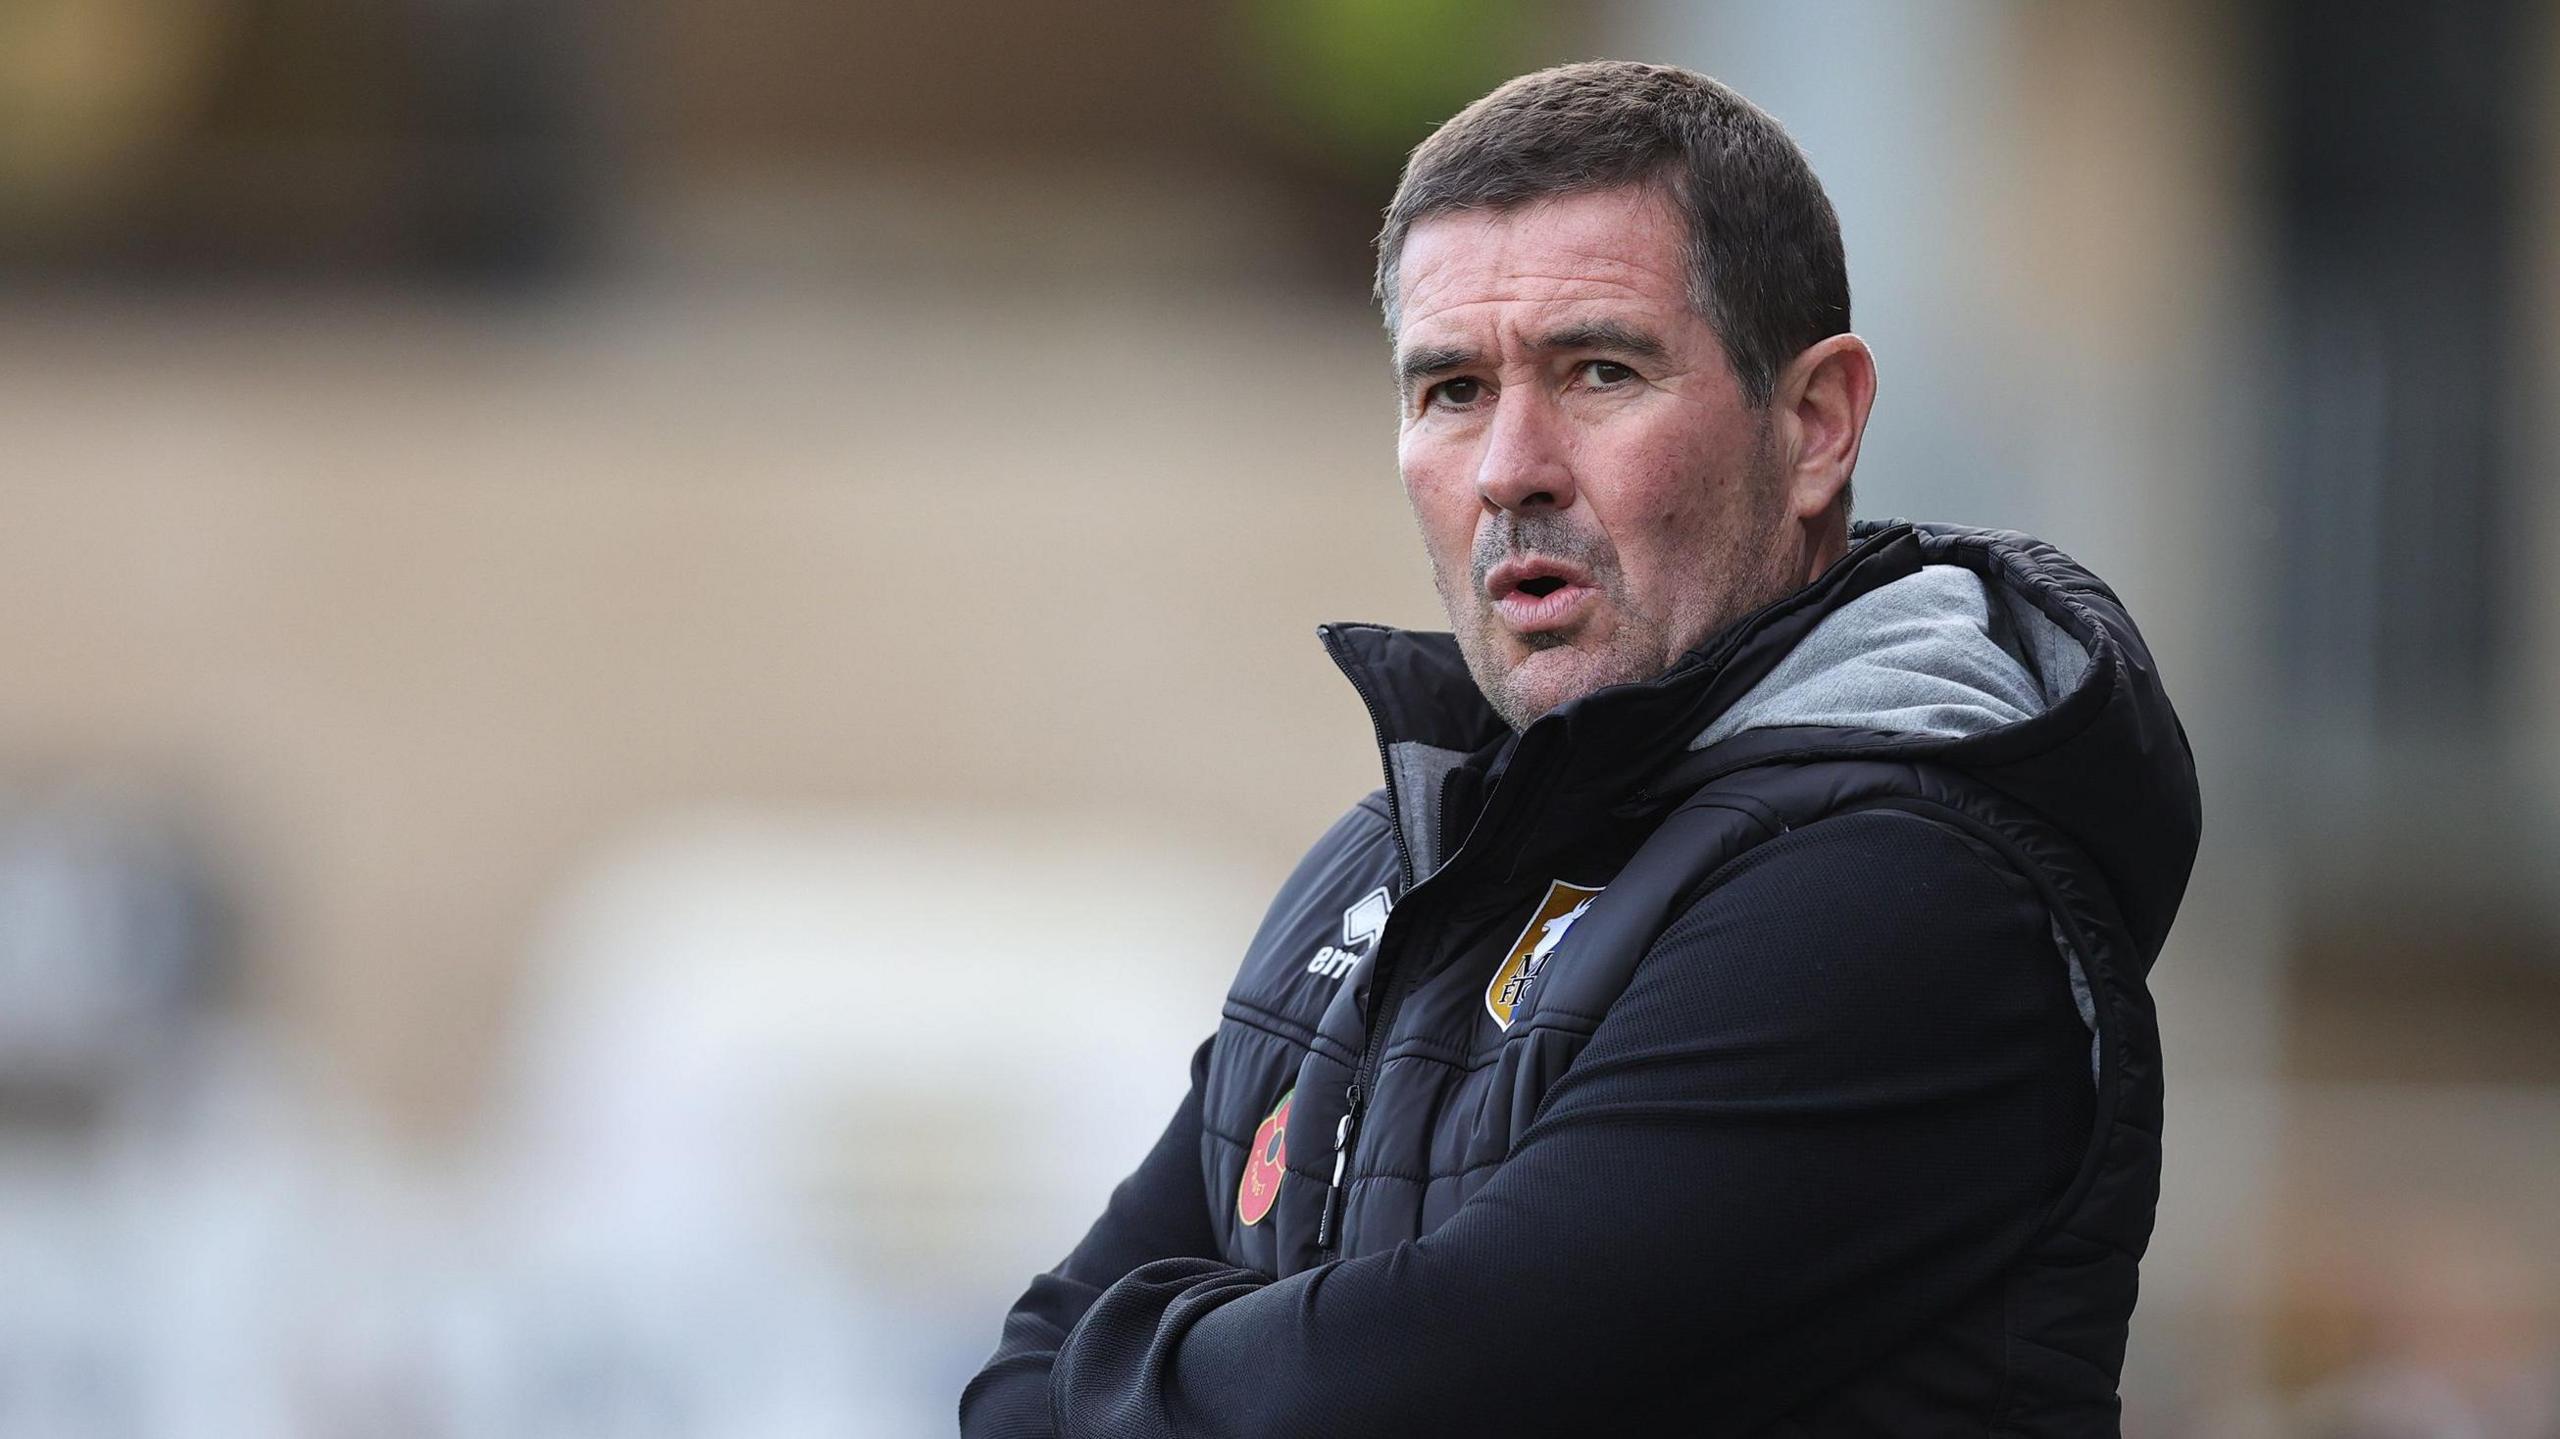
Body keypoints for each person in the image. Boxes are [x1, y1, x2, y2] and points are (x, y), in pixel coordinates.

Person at [960, 60, 2199, 1437]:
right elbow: (1013, 1378)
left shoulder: (1902, 894)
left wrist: (1136, 1375)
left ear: (1815, 426)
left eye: (1598, 371)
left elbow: (1416, 1398)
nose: (1511, 466)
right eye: (1450, 390)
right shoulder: (1381, 870)